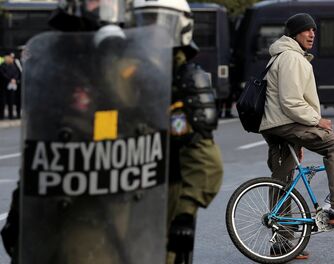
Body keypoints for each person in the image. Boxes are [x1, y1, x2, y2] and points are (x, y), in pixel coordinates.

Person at [2, 1, 173, 263]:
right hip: (55, 204)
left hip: (105, 208)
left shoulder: (131, 66)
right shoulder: (54, 66)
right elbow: (38, 152)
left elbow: (147, 134)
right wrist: (19, 211)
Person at [132, 0, 224, 263]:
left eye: (161, 22)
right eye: (144, 22)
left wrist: (184, 213)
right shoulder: (114, 75)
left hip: (162, 200)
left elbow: (205, 160)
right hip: (112, 199)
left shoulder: (183, 81)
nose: (152, 31)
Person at [260, 13, 334, 223]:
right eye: (307, 30)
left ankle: (281, 242)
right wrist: (316, 120)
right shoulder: (291, 58)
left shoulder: (280, 55)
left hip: (274, 124)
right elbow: (291, 101)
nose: (312, 34)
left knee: (282, 178)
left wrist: (298, 138)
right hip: (286, 122)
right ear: (294, 34)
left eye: (314, 31)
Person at [0, 54, 21, 119]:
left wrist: (14, 79)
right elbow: (2, 74)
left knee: (11, 101)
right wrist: (10, 79)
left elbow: (17, 73)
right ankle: (1, 115)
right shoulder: (2, 65)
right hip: (4, 85)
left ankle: (11, 115)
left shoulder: (14, 65)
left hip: (12, 85)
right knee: (2, 101)